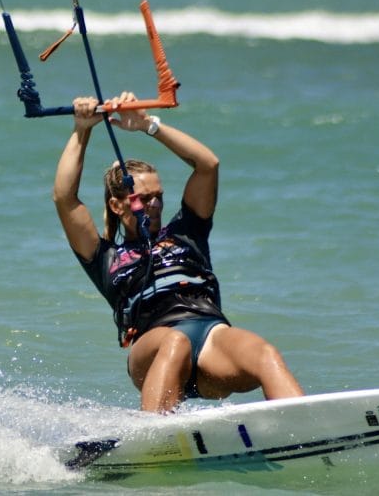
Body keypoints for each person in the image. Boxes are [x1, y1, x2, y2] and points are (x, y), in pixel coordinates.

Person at [53, 91, 304, 413]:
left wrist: (148, 126)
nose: (155, 204)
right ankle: (151, 437)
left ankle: (308, 429)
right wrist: (82, 129)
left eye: (158, 196)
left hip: (211, 337)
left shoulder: (188, 232)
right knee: (176, 342)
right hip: (156, 348)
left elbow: (207, 165)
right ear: (117, 205)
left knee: (263, 352)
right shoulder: (105, 257)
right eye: (144, 199)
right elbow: (64, 198)